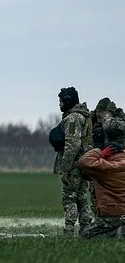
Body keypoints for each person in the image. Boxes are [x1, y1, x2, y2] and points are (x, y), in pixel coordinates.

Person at [56, 86, 94, 236]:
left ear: (67, 101)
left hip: (74, 165)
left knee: (69, 197)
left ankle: (69, 230)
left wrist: (65, 169)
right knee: (83, 197)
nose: (59, 105)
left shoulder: (73, 118)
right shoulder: (85, 116)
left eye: (60, 101)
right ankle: (86, 230)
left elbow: (72, 144)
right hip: (86, 164)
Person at [78, 140, 125, 238]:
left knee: (85, 235)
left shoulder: (105, 167)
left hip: (112, 215)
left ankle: (116, 232)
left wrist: (101, 153)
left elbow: (84, 161)